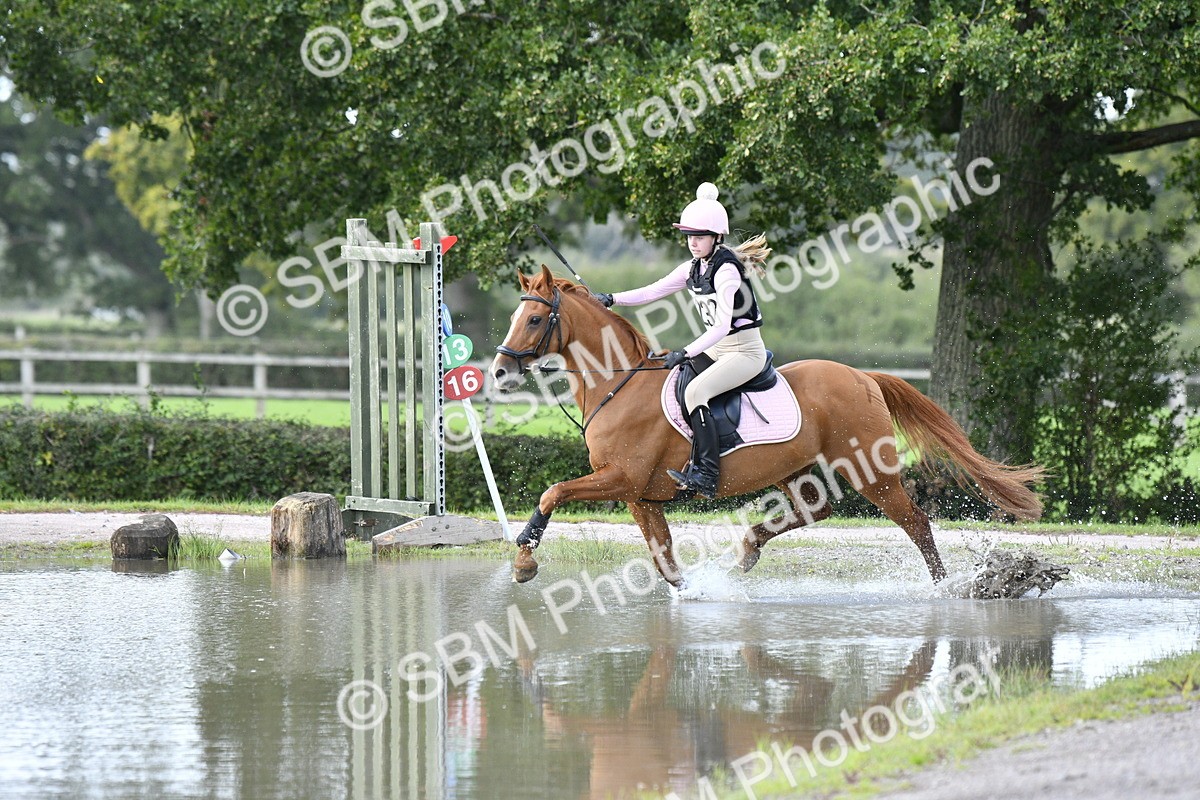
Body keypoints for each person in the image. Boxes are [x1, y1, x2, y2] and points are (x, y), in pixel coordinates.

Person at [592, 182, 771, 499]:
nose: (693, 242)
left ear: (717, 238)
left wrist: (685, 351)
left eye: (699, 236)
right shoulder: (694, 268)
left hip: (744, 352)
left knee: (696, 391)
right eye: (689, 236)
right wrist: (611, 298)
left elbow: (721, 326)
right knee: (671, 381)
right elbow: (652, 291)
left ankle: (707, 474)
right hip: (718, 350)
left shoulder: (726, 271)